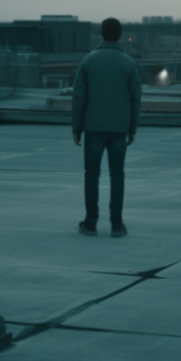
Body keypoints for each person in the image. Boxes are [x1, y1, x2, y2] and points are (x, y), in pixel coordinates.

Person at [72, 17, 142, 238]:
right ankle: (117, 224)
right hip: (119, 129)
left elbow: (79, 97)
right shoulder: (128, 63)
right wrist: (132, 128)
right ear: (119, 35)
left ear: (102, 34)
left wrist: (77, 127)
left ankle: (91, 221)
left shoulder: (88, 61)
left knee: (91, 175)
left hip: (93, 127)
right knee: (117, 176)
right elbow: (135, 99)